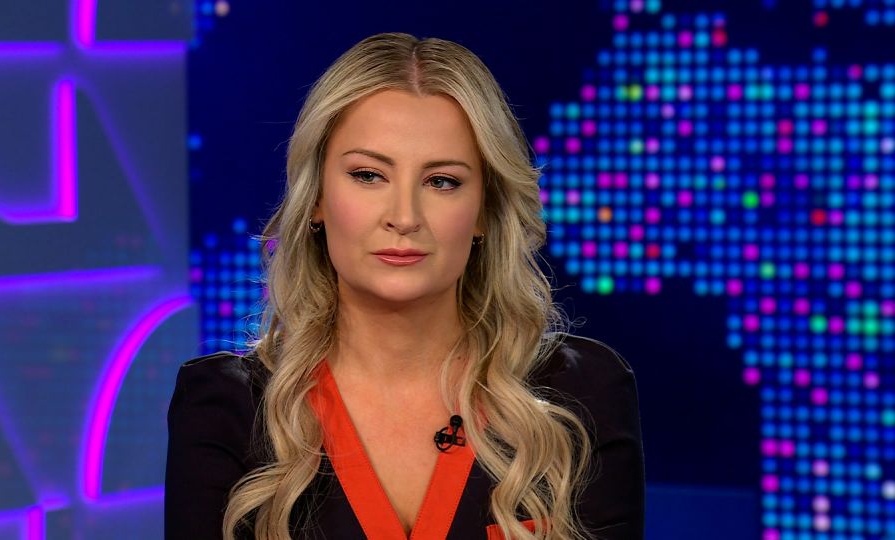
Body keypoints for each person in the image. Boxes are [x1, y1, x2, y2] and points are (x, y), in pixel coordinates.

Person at [165, 32, 644, 540]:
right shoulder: (226, 407)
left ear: (484, 210)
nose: (404, 216)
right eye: (369, 175)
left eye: (442, 181)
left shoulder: (581, 394)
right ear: (317, 198)